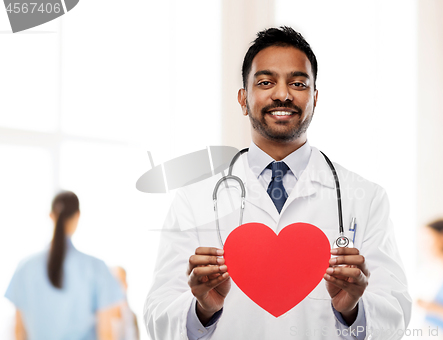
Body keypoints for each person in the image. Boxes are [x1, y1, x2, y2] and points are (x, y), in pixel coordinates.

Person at [144, 26, 411, 340]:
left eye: (298, 83)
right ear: (244, 99)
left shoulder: (366, 198)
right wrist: (202, 309)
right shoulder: (195, 198)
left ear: (315, 98)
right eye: (266, 82)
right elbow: (157, 315)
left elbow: (395, 316)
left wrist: (352, 309)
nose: (283, 94)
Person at [4, 191, 124, 340]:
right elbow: (106, 333)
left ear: (51, 216)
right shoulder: (96, 268)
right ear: (78, 216)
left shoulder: (25, 268)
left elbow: (19, 332)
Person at [111, 266, 141, 340]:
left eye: (124, 280)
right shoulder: (100, 317)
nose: (125, 284)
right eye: (119, 280)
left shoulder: (132, 316)